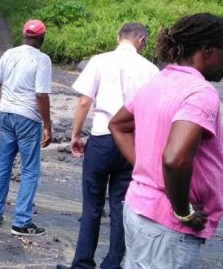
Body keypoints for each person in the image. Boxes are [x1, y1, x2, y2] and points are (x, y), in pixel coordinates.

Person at [109, 13, 223, 269]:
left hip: (138, 209)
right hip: (167, 225)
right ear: (208, 50)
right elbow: (175, 159)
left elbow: (118, 124)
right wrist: (183, 211)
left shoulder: (160, 80)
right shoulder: (200, 93)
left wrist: (148, 169)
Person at [57, 23, 158, 269]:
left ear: (118, 37)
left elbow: (84, 101)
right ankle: (112, 264)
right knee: (120, 206)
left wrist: (75, 134)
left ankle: (82, 263)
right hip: (131, 143)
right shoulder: (151, 70)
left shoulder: (100, 61)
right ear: (141, 41)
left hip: (101, 137)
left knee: (92, 205)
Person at [0, 19, 53, 236]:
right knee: (30, 169)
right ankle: (21, 222)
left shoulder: (9, 54)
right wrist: (47, 126)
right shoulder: (42, 60)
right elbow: (41, 95)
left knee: (3, 164)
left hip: (5, 114)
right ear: (41, 38)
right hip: (27, 119)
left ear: (24, 36)